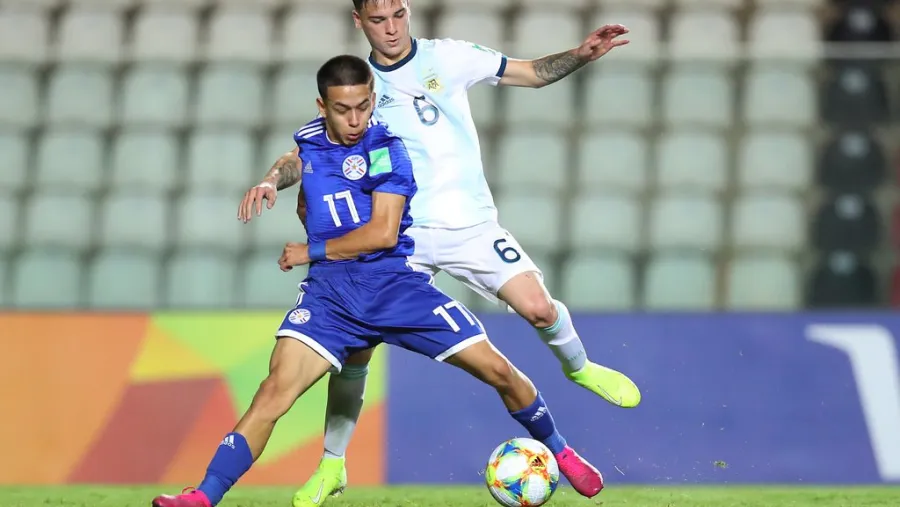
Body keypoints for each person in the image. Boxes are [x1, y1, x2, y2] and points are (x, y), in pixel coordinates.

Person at [155, 55, 604, 507]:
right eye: (342, 109)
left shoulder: (388, 149)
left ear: (373, 100)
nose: (355, 119)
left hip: (393, 288)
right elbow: (295, 158)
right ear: (322, 107)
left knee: (499, 371)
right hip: (330, 297)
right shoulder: (311, 137)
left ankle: (562, 452)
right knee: (273, 392)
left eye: (363, 106)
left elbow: (382, 233)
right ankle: (204, 496)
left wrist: (307, 251)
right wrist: (272, 181)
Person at [237, 2, 639, 504]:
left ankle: (579, 367)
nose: (392, 28)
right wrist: (272, 179)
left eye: (399, 14)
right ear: (359, 21)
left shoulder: (448, 58)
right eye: (379, 19)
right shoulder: (359, 90)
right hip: (398, 232)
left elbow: (532, 73)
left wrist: (582, 54)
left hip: (470, 225)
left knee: (538, 307)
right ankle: (332, 465)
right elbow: (307, 151)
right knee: (356, 350)